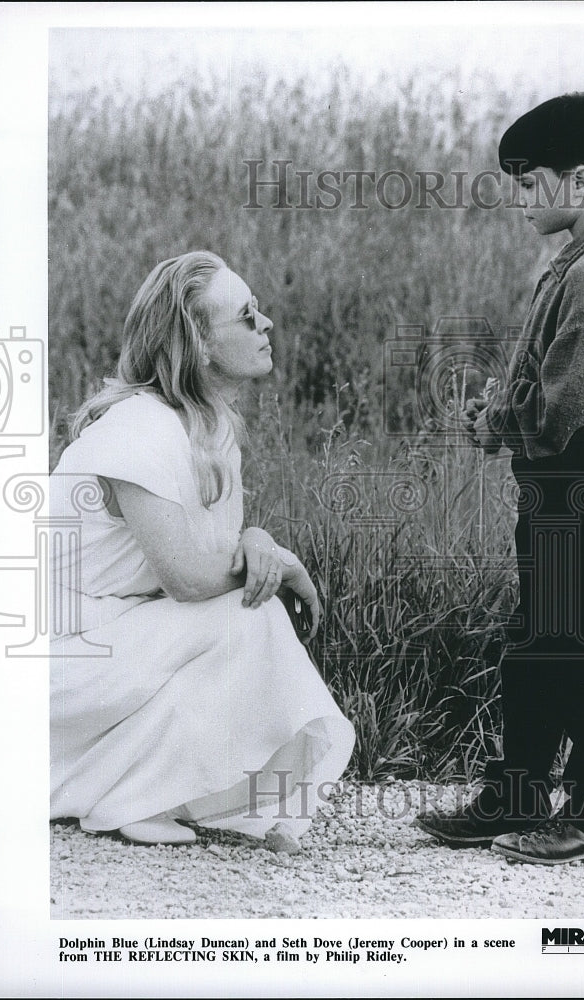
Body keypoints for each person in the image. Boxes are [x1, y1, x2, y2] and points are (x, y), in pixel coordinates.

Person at [417, 93, 584, 864]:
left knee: (583, 641)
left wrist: (493, 421)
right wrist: (504, 409)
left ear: (580, 180)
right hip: (566, 478)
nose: (518, 200)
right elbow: (544, 380)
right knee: (542, 640)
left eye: (528, 183)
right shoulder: (579, 258)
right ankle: (515, 795)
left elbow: (566, 410)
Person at [50, 251, 355, 847]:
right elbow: (189, 579)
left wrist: (258, 540)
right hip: (60, 658)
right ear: (198, 345)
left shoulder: (208, 428)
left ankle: (152, 788)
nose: (265, 325)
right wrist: (281, 562)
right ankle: (127, 794)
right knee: (253, 612)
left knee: (250, 611)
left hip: (123, 638)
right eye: (246, 316)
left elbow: (208, 552)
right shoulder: (137, 428)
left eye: (259, 311)